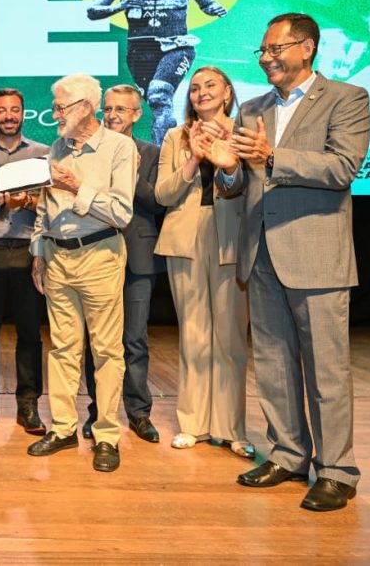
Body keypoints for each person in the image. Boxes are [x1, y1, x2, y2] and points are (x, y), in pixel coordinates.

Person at [209, 13, 370, 511]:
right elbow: (240, 184)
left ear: (307, 47)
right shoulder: (253, 108)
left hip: (315, 255)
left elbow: (342, 167)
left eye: (275, 48)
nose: (266, 58)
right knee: (275, 365)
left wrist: (272, 156)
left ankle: (337, 470)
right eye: (262, 50)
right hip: (261, 253)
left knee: (326, 370)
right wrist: (228, 170)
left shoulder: (346, 98)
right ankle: (288, 454)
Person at [27, 73, 136, 473]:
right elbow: (44, 207)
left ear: (86, 107)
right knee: (62, 349)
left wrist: (78, 187)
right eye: (55, 106)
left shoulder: (120, 147)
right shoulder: (56, 148)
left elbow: (122, 212)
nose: (55, 114)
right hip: (57, 258)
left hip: (100, 255)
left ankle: (106, 435)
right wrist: (38, 251)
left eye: (61, 107)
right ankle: (62, 429)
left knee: (106, 351)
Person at [155, 66, 252, 458]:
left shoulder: (245, 133)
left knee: (230, 338)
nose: (201, 92)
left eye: (210, 85)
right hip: (185, 241)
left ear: (227, 92)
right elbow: (163, 195)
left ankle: (231, 429)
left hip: (231, 241)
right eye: (194, 88)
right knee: (194, 337)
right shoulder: (175, 136)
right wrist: (193, 159)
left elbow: (253, 189)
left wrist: (228, 160)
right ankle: (192, 423)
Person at [87, 0, 227, 149]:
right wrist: (122, 5)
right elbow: (93, 11)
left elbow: (207, 3)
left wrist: (214, 8)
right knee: (157, 105)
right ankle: (166, 150)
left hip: (176, 46)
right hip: (139, 50)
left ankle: (165, 157)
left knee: (159, 95)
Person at [82, 84, 164, 444]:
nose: (113, 115)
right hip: (96, 255)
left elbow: (158, 203)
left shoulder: (153, 152)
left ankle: (139, 413)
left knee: (134, 338)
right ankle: (98, 411)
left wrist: (133, 174)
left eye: (121, 109)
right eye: (108, 108)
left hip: (138, 258)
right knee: (97, 340)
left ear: (137, 114)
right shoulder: (90, 150)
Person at [0, 88, 48, 436]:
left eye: (14, 110)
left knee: (30, 334)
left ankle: (28, 404)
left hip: (27, 251)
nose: (8, 116)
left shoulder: (42, 153)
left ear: (23, 113)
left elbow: (52, 206)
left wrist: (27, 202)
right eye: (2, 110)